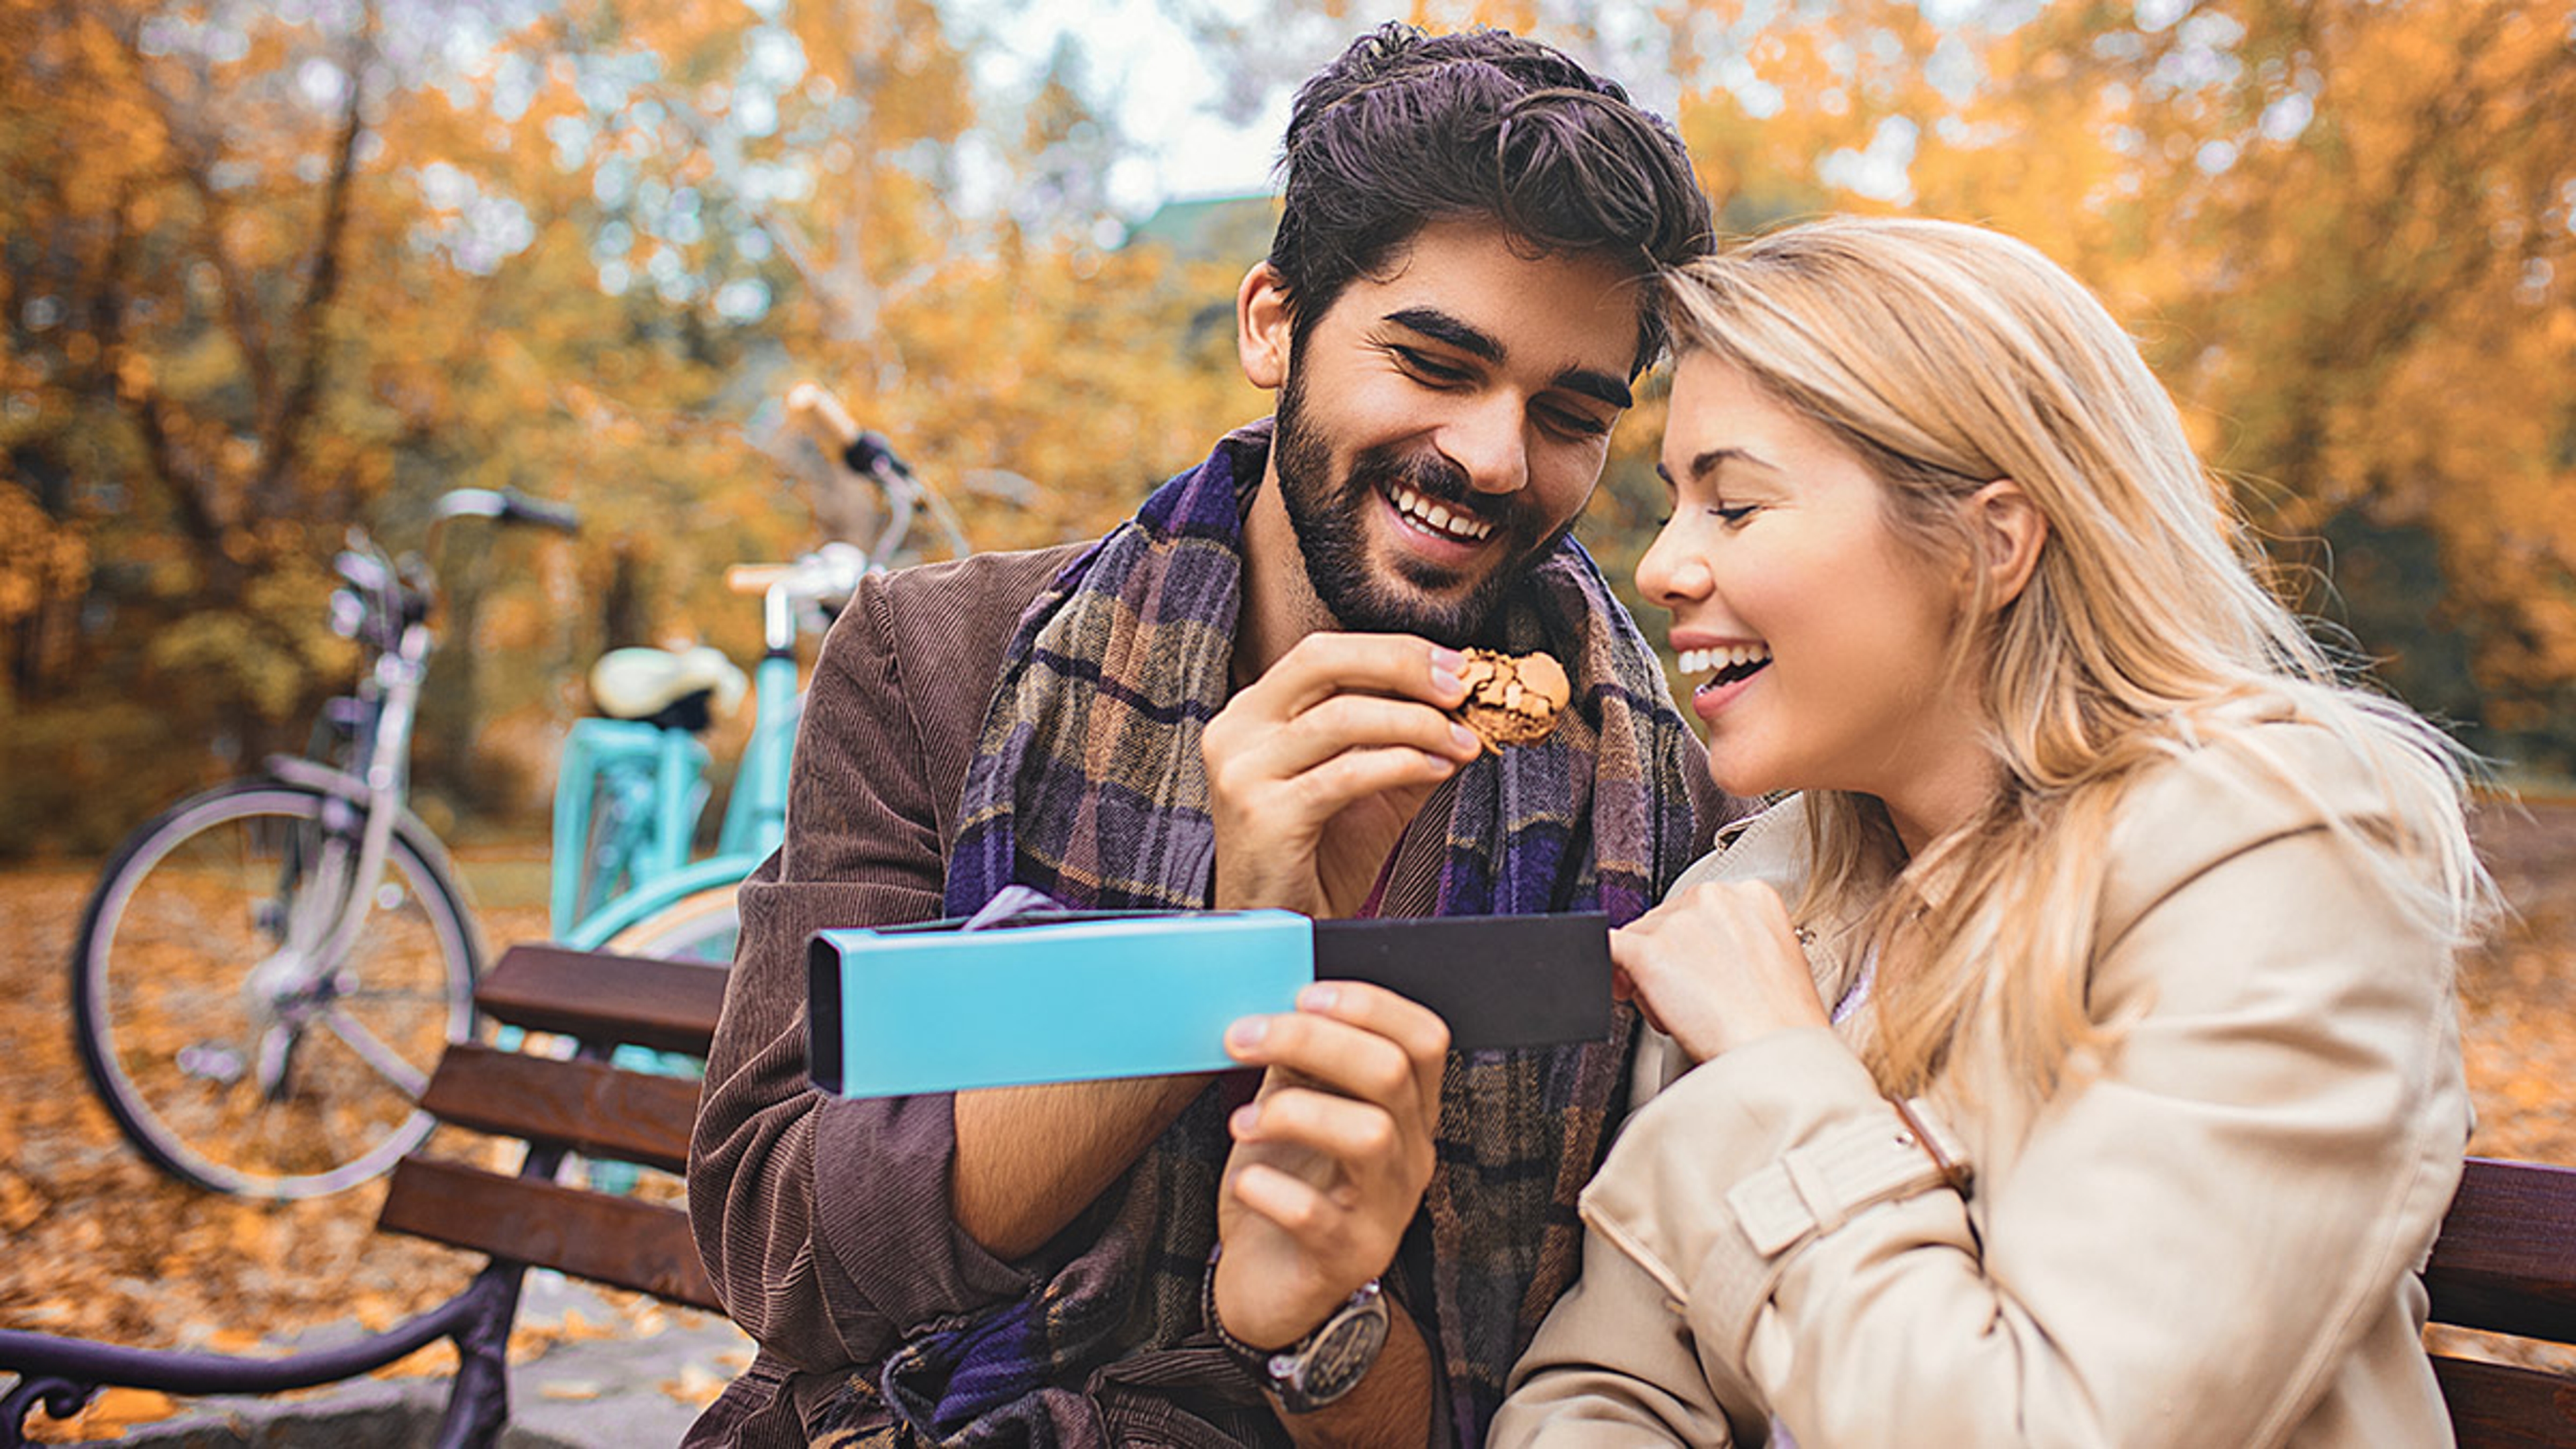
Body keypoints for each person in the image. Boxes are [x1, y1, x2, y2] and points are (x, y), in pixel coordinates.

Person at [686, 23, 1729, 1449]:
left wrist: (1327, 1319)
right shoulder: (936, 663)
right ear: (1272, 326)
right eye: (1434, 361)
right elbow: (787, 1252)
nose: (1493, 456)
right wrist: (1217, 951)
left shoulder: (1668, 805)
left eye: (1567, 412)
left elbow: (1574, 1391)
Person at [1489, 216, 2496, 1448]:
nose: (1662, 567)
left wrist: (1772, 1067)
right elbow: (1608, 1394)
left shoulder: (2278, 856)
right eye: (1675, 502)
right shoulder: (1771, 890)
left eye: (1736, 504)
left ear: (1990, 541)